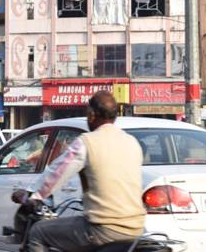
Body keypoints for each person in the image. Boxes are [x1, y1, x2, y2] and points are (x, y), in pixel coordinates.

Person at [14, 91, 145, 252]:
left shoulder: (87, 142)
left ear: (91, 115)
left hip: (103, 229)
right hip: (137, 229)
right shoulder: (132, 142)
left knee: (37, 232)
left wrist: (32, 194)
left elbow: (57, 172)